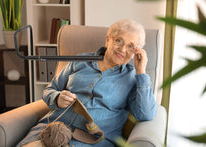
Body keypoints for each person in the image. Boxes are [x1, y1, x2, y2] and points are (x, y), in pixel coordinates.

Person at [18, 19, 156, 147]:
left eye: (131, 46)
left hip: (92, 140)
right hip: (52, 128)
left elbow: (145, 114)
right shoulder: (80, 61)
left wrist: (141, 72)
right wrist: (57, 98)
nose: (123, 49)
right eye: (119, 41)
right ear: (108, 40)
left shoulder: (133, 78)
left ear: (136, 52)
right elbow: (50, 89)